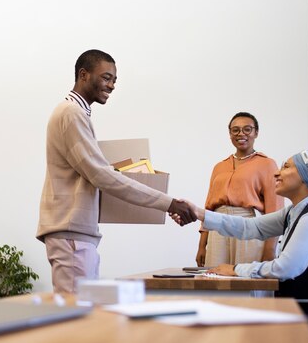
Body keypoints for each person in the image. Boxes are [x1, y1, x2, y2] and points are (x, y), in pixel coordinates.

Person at [37, 49, 196, 294]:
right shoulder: (71, 113)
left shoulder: (76, 113)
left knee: (83, 314)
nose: (111, 85)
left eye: (114, 80)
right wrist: (169, 203)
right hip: (71, 235)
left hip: (76, 234)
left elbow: (97, 173)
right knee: (77, 319)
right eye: (106, 77)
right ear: (83, 75)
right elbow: (101, 176)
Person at [175, 150, 308, 343]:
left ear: (307, 176)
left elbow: (285, 268)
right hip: (299, 317)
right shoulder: (294, 212)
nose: (277, 173)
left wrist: (235, 269)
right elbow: (248, 227)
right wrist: (198, 213)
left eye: (287, 167)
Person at [196, 112, 283, 268]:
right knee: (214, 277)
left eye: (247, 129)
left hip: (248, 224)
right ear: (230, 134)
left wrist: (270, 249)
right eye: (235, 130)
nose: (241, 134)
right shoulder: (219, 166)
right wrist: (202, 246)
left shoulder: (267, 164)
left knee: (247, 279)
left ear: (256, 132)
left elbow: (275, 210)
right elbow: (208, 208)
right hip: (217, 225)